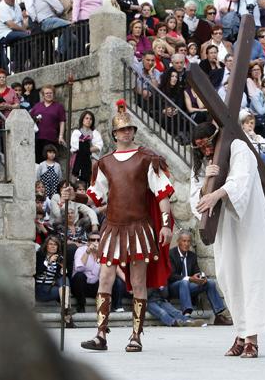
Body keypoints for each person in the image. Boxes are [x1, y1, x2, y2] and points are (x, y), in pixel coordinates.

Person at [81, 100, 174, 353]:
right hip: (112, 227)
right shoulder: (106, 162)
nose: (127, 132)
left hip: (139, 228)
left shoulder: (148, 159)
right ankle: (100, 334)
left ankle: (136, 335)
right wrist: (73, 196)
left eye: (130, 128)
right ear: (114, 134)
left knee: (139, 281)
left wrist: (165, 226)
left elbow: (162, 195)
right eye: (122, 130)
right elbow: (94, 197)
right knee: (105, 278)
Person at [190, 121, 265, 358]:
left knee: (251, 275)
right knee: (228, 276)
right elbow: (195, 197)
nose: (206, 151)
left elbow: (240, 181)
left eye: (208, 145)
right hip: (224, 225)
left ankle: (252, 338)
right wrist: (205, 185)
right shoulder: (202, 163)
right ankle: (240, 332)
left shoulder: (240, 147)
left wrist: (216, 194)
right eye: (200, 148)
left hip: (248, 219)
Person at [168, 230, 232, 324]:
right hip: (174, 287)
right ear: (178, 242)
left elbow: (196, 271)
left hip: (188, 286)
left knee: (209, 282)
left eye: (188, 241)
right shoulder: (171, 254)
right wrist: (189, 278)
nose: (186, 244)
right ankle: (187, 315)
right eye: (184, 241)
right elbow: (171, 276)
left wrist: (200, 277)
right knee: (184, 282)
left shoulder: (192, 256)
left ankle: (219, 315)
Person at [70, 232, 126, 313]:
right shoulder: (81, 250)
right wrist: (88, 251)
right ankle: (81, 305)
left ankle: (117, 306)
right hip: (81, 286)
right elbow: (79, 269)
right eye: (93, 240)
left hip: (97, 286)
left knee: (117, 280)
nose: (96, 242)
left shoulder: (105, 252)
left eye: (98, 240)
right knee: (79, 276)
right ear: (88, 242)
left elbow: (117, 269)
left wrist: (129, 284)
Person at [34, 235, 73, 328]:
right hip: (41, 290)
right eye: (50, 244)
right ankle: (67, 315)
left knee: (64, 280)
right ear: (46, 246)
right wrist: (48, 261)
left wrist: (62, 266)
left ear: (58, 247)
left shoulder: (59, 258)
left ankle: (65, 310)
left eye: (55, 244)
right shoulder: (39, 255)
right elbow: (38, 271)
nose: (53, 246)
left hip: (52, 289)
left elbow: (63, 277)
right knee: (65, 291)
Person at [30, 84, 66, 164]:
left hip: (51, 138)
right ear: (43, 95)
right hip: (37, 138)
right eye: (46, 93)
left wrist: (61, 136)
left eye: (51, 93)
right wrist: (35, 119)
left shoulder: (58, 107)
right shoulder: (37, 106)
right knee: (38, 161)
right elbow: (30, 119)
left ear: (53, 94)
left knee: (49, 161)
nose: (49, 95)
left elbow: (62, 121)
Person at [70, 110, 102, 184]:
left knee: (91, 179)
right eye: (86, 118)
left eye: (90, 119)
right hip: (78, 159)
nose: (88, 120)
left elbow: (98, 146)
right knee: (76, 180)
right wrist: (87, 148)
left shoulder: (95, 133)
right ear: (82, 119)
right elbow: (75, 147)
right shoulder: (76, 132)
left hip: (90, 159)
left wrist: (86, 149)